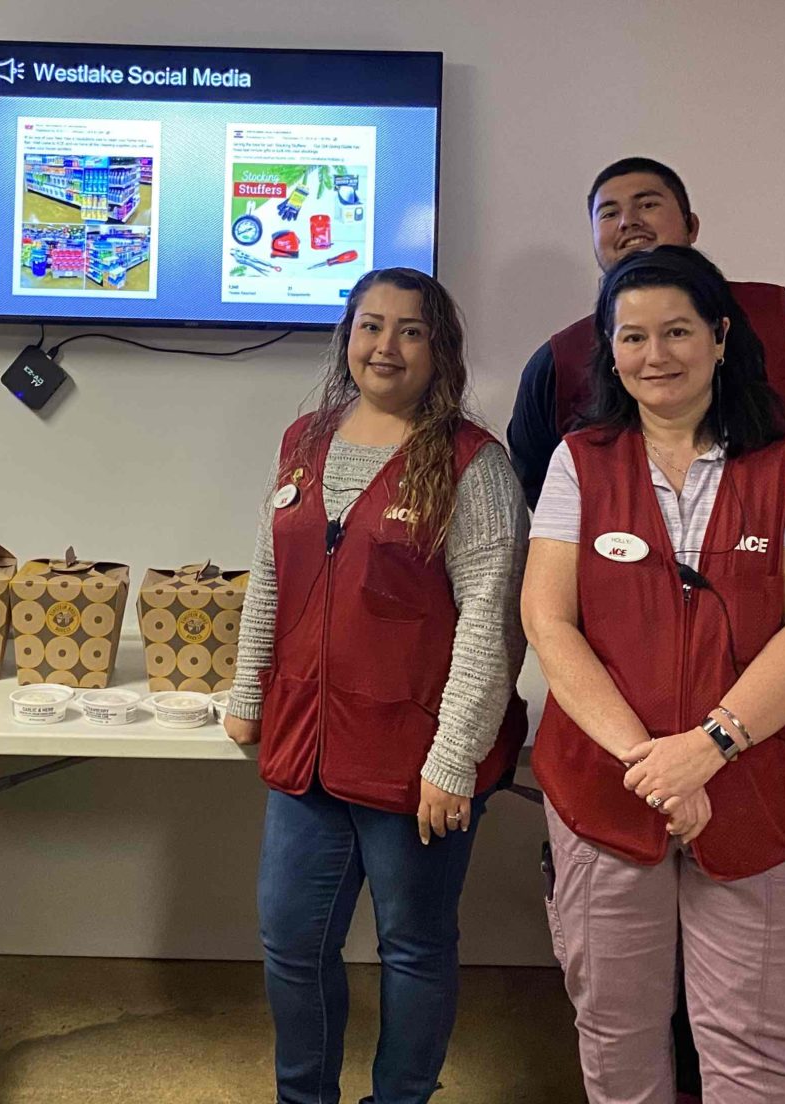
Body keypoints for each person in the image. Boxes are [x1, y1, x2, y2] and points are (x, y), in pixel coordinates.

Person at [521, 245, 785, 1104]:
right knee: (617, 1042)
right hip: (605, 790)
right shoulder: (579, 461)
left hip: (760, 791)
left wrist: (707, 748)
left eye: (676, 331)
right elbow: (547, 621)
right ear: (608, 347)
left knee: (752, 1051)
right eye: (632, 337)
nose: (654, 355)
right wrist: (653, 766)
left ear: (721, 337)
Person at [224, 267, 529, 1104]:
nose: (385, 346)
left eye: (410, 330)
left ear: (441, 350)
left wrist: (454, 758)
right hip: (306, 748)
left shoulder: (475, 465)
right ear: (346, 337)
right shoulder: (305, 439)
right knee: (291, 939)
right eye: (370, 325)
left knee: (414, 947)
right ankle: (305, 1097)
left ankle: (401, 1098)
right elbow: (270, 571)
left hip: (415, 762)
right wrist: (249, 690)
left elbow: (492, 623)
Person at [508, 156, 785, 506]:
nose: (628, 221)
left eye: (647, 204)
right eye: (609, 213)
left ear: (691, 226)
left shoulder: (784, 317)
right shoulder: (557, 360)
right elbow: (537, 483)